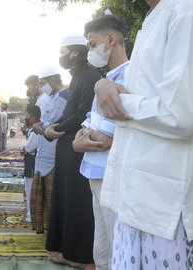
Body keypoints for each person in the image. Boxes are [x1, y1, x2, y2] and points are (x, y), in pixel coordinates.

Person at [94, 0, 193, 268]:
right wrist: (105, 86)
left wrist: (120, 102)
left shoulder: (187, 10)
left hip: (165, 198)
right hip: (137, 188)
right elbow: (146, 97)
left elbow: (184, 113)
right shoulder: (155, 17)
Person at [71, 15, 129, 270]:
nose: (90, 52)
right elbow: (87, 126)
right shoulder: (105, 81)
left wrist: (85, 137)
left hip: (112, 174)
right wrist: (83, 137)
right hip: (96, 172)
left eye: (93, 45)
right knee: (102, 243)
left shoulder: (128, 76)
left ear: (111, 40)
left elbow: (105, 138)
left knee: (118, 243)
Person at [44, 33, 100, 268]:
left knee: (77, 200)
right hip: (68, 144)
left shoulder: (89, 76)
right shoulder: (78, 76)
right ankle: (66, 249)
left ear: (74, 52)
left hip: (77, 145)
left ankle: (79, 255)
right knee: (66, 197)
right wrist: (55, 127)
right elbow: (70, 112)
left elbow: (82, 114)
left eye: (62, 51)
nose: (61, 56)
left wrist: (56, 129)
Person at [30, 66, 68, 234]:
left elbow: (54, 126)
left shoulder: (64, 98)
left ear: (53, 80)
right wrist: (41, 127)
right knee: (42, 197)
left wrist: (41, 128)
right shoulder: (54, 98)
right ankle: (47, 229)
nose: (41, 87)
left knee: (52, 197)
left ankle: (54, 234)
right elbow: (46, 123)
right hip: (44, 153)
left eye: (42, 83)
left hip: (53, 155)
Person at [23, 105, 42, 223]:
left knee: (30, 189)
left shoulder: (36, 130)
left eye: (27, 116)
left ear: (33, 117)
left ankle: (31, 216)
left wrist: (24, 149)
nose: (26, 118)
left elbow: (29, 147)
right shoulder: (34, 128)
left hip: (31, 163)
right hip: (31, 162)